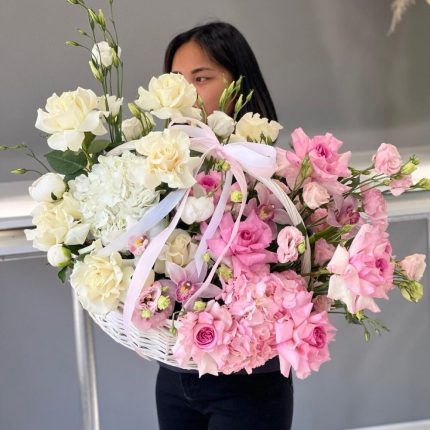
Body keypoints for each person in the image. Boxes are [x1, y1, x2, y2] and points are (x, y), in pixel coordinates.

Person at [155, 21, 293, 430]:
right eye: (177, 80)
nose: (185, 93)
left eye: (201, 79)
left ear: (239, 84)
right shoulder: (160, 172)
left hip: (248, 381)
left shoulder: (275, 174)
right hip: (176, 374)